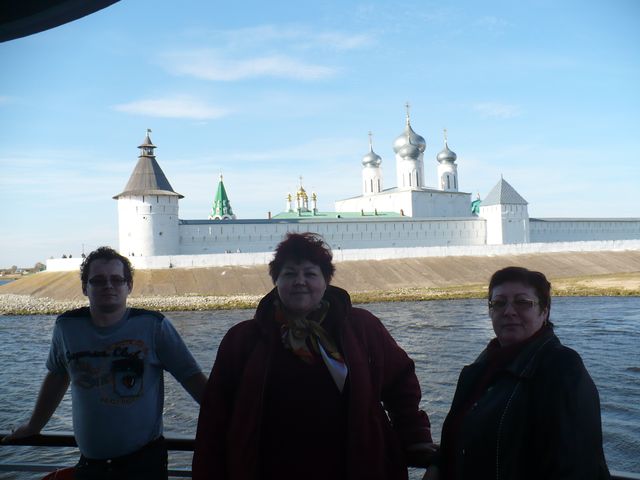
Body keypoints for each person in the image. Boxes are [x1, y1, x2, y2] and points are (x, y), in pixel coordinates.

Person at [193, 232, 435, 480]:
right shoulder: (243, 339)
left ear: (325, 281)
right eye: (289, 274)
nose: (300, 282)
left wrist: (416, 438)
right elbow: (216, 415)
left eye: (310, 274)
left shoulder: (361, 328)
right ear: (276, 282)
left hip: (354, 468)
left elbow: (400, 383)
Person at [2, 246, 208, 480]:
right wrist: (33, 427)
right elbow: (57, 377)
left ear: (129, 286)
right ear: (84, 287)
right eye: (98, 280)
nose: (108, 286)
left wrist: (229, 420)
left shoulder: (154, 326)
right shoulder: (66, 327)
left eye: (117, 280)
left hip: (144, 464)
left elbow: (191, 378)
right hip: (91, 465)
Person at [424, 266, 610, 480]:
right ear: (490, 311)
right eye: (499, 303)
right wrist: (437, 466)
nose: (509, 311)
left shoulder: (562, 368)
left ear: (544, 311)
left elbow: (576, 463)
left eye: (522, 302)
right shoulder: (477, 371)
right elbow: (456, 437)